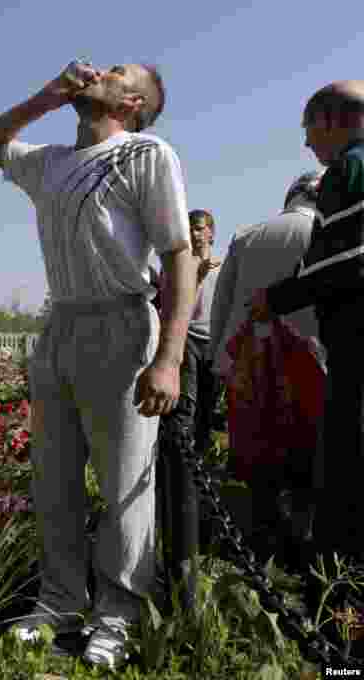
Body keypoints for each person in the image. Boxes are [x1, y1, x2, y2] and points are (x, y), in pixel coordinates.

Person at [0, 59, 197, 668]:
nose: (99, 67)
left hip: (122, 325)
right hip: (60, 325)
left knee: (125, 483)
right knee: (55, 479)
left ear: (132, 104)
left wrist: (169, 358)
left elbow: (179, 255)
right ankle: (60, 603)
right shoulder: (49, 163)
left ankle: (118, 615)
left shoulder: (146, 153)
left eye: (118, 71)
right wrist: (44, 97)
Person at [250, 82, 364, 582]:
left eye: (308, 129)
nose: (307, 144)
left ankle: (340, 599)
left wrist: (272, 300)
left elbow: (348, 263)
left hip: (356, 341)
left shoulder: (350, 168)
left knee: (346, 465)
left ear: (332, 121)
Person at [211, 172, 325, 565]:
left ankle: (262, 544)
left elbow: (222, 305)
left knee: (260, 458)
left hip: (249, 365)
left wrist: (219, 363)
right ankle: (303, 547)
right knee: (309, 458)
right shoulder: (331, 233)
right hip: (316, 366)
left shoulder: (247, 235)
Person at [155, 209, 222, 610]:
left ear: (211, 232)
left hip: (213, 344)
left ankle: (199, 465)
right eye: (191, 229)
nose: (196, 234)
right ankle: (187, 472)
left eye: (200, 228)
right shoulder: (183, 268)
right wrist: (195, 275)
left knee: (205, 416)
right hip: (188, 346)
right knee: (186, 416)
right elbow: (175, 308)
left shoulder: (221, 265)